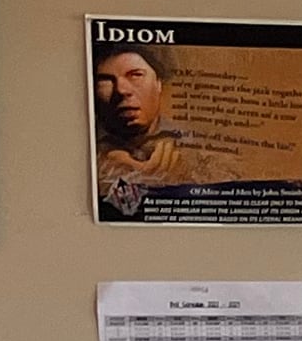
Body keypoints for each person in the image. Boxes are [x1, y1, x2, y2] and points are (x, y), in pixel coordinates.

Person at [93, 34, 218, 218]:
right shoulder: (87, 151)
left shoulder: (195, 147)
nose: (121, 90)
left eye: (136, 75)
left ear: (158, 83)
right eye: (105, 80)